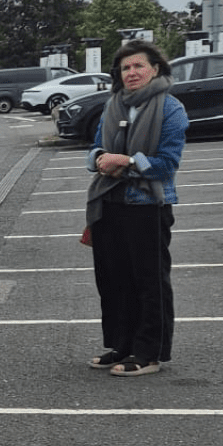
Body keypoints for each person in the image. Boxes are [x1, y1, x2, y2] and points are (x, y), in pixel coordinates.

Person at [84, 40, 186, 377]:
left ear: (155, 69)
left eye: (138, 66)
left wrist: (125, 161)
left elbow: (166, 164)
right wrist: (100, 159)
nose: (132, 73)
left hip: (147, 205)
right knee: (114, 280)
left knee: (149, 282)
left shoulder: (170, 109)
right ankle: (122, 345)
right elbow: (95, 150)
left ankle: (149, 353)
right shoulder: (112, 105)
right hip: (109, 203)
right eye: (126, 68)